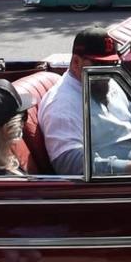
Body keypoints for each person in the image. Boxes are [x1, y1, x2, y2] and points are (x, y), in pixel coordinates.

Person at [38, 27, 120, 175]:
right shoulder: (62, 105)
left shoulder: (105, 83)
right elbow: (71, 164)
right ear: (76, 63)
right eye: (100, 65)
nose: (108, 72)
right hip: (113, 185)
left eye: (112, 64)